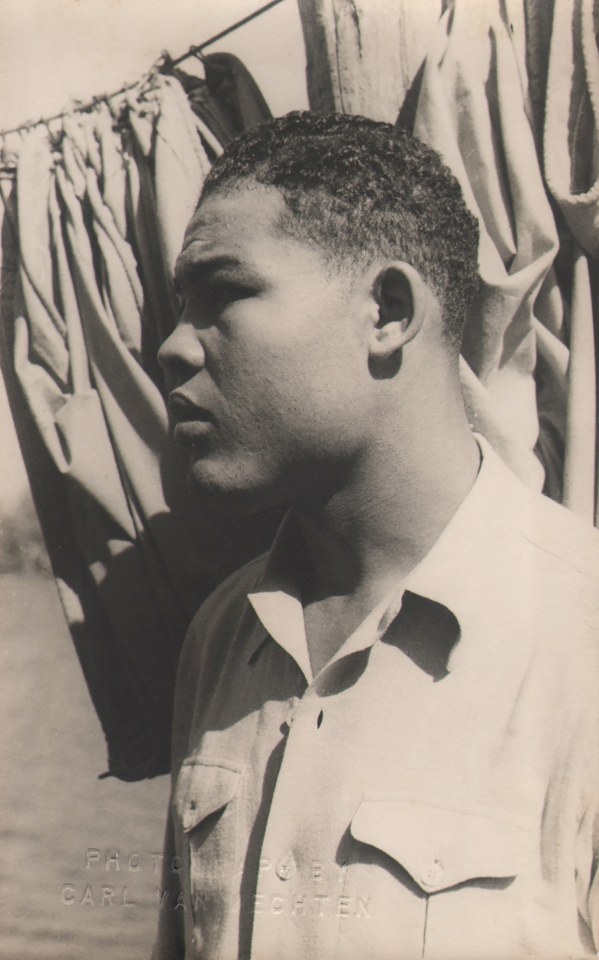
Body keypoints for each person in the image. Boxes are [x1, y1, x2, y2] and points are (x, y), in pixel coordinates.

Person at [151, 112, 599, 960]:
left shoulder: (583, 644)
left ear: (387, 311)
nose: (173, 347)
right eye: (181, 305)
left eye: (223, 294)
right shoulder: (222, 633)